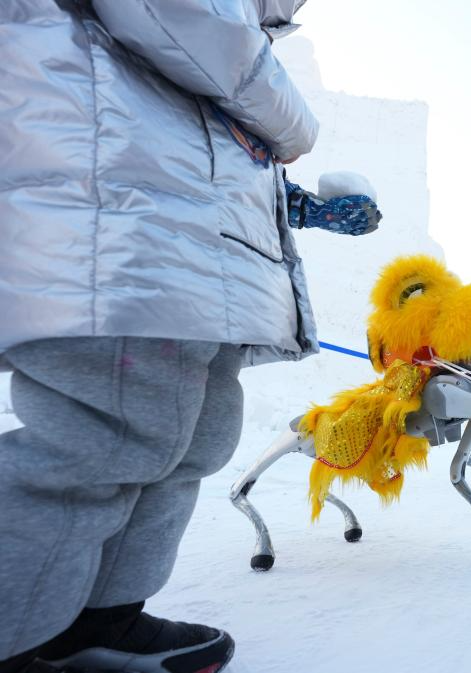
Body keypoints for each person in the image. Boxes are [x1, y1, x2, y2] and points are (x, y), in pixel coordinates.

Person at [0, 2, 329, 672]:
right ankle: (16, 634)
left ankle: (96, 622)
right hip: (116, 215)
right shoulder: (241, 38)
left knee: (193, 440)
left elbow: (199, 118)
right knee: (99, 440)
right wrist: (296, 126)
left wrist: (294, 201)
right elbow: (174, 14)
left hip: (194, 242)